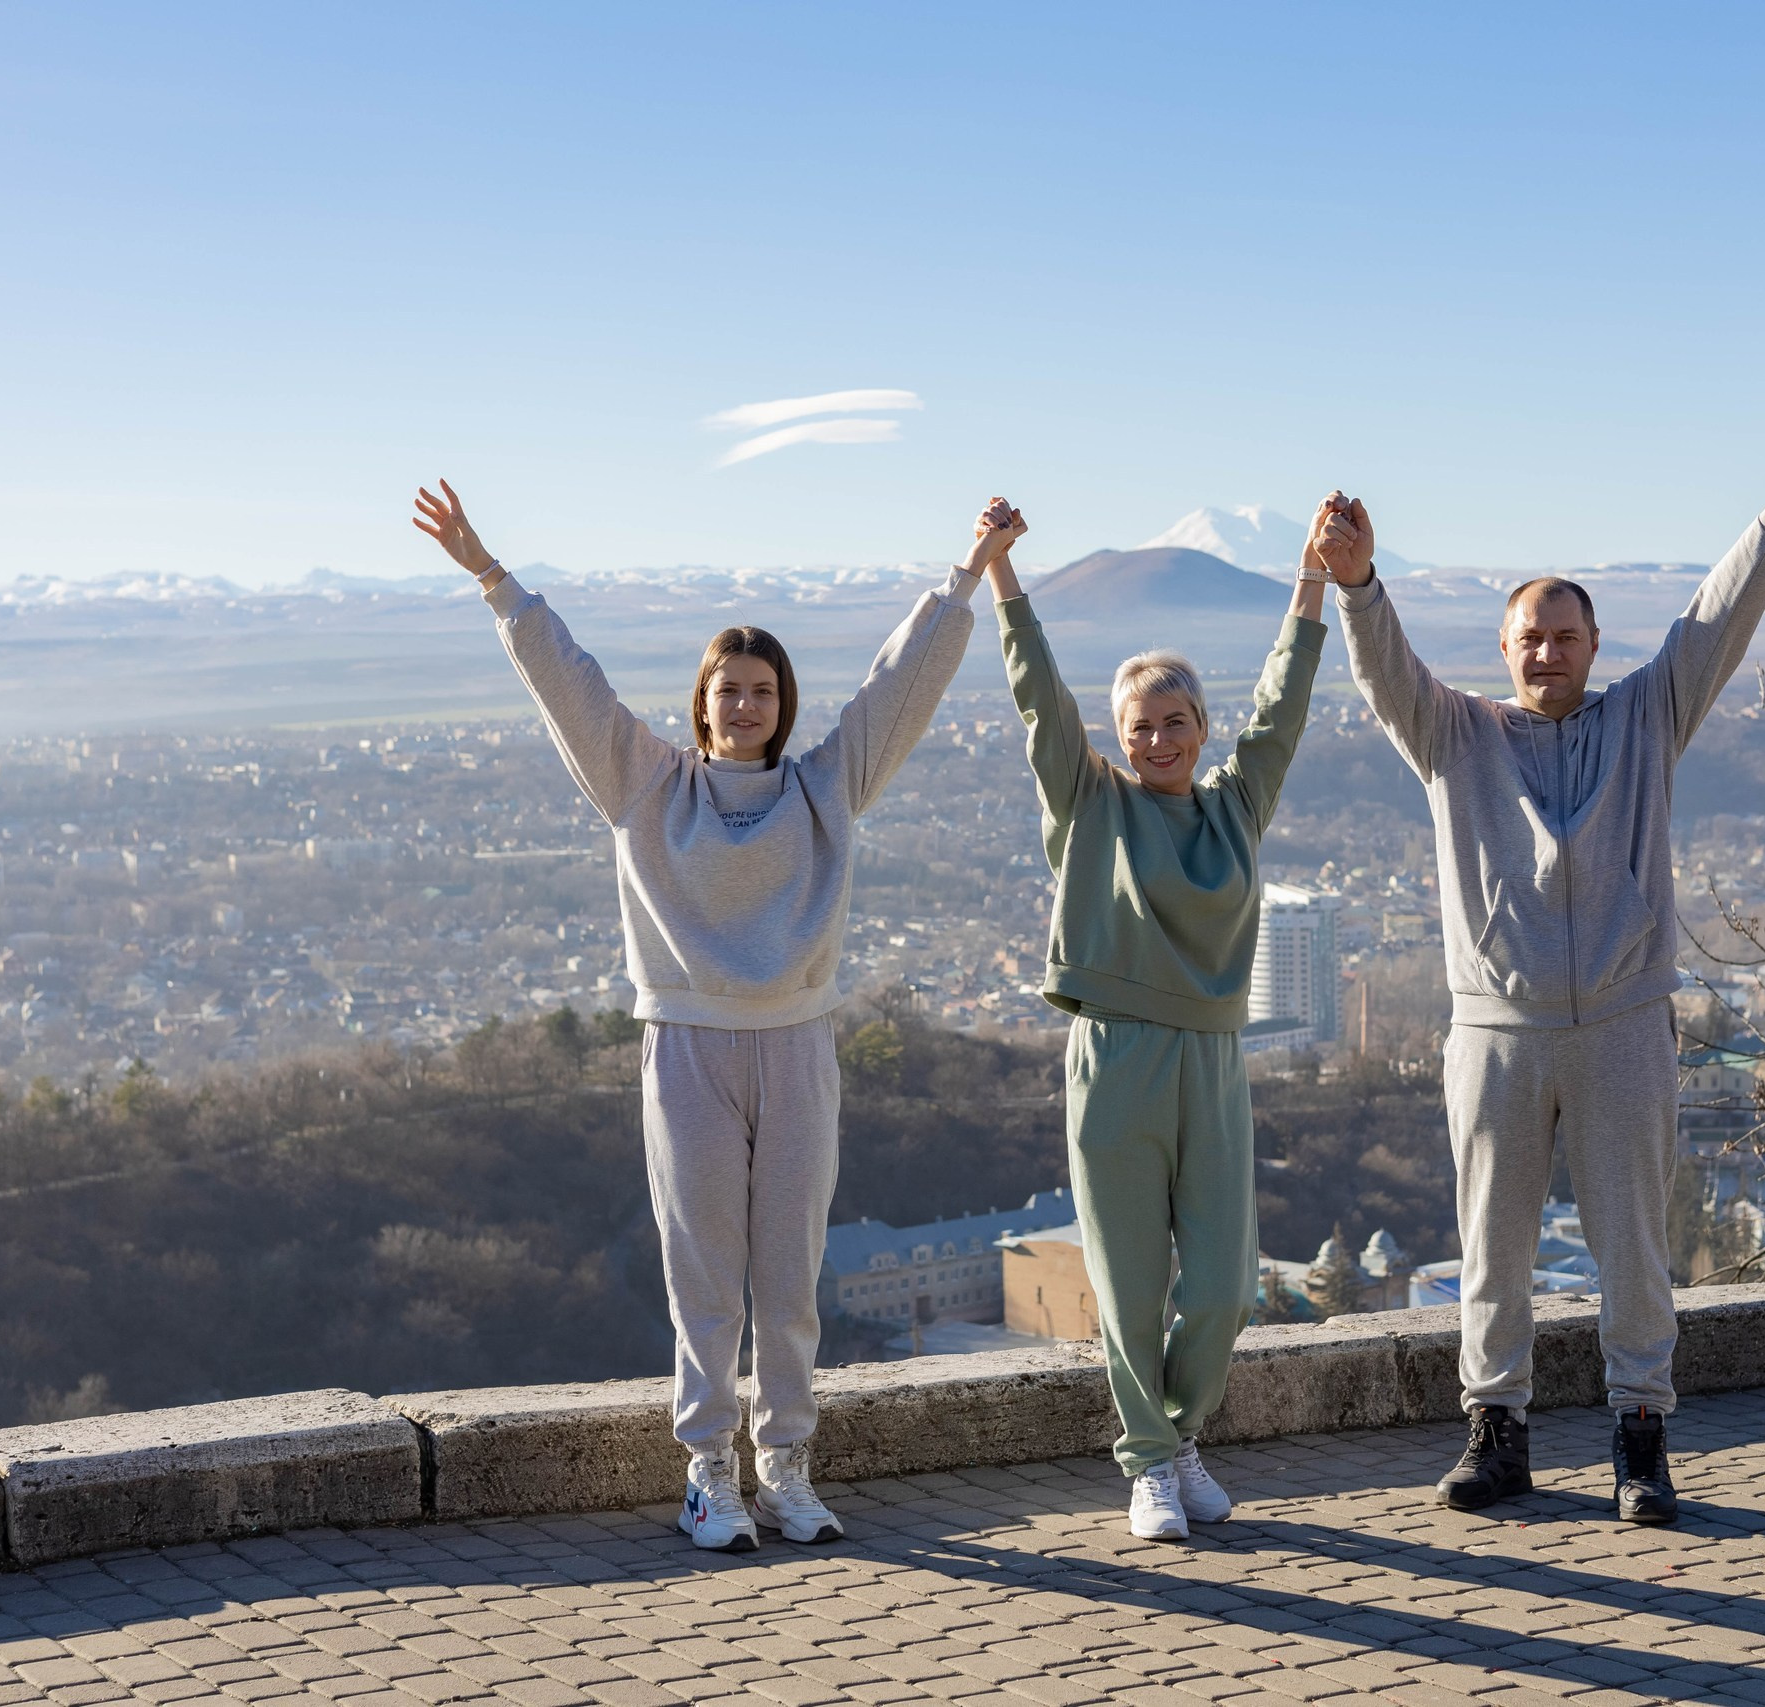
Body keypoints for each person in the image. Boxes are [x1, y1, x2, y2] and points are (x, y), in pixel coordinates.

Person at [413, 480, 1012, 1552]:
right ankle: (708, 1472)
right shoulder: (648, 789)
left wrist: (962, 576)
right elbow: (573, 690)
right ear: (701, 703)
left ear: (783, 706)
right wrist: (494, 579)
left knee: (788, 1271)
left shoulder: (827, 787)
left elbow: (895, 692)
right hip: (687, 1044)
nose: (743, 706)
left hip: (797, 1043)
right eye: (726, 689)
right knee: (702, 1268)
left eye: (761, 691)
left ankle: (784, 1463)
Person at [1316, 437, 1765, 1524]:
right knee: (1492, 1244)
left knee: (1634, 1243)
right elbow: (1383, 675)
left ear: (1595, 644)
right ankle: (1494, 1432)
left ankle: (1640, 1437)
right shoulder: (1453, 734)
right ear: (1502, 648)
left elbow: (1714, 623)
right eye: (1529, 638)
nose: (1546, 652)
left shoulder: (1647, 718)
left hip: (1621, 1021)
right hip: (1495, 1029)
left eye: (1565, 635)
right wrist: (1359, 584)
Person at [978, 496, 1331, 1540]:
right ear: (1120, 735)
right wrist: (1003, 575)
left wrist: (1311, 581)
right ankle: (1150, 1465)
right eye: (1141, 725)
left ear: (1201, 731)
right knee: (1128, 1285)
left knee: (1222, 1287)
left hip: (1213, 1061)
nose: (1160, 738)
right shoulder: (1089, 804)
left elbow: (1283, 707)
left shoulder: (1234, 806)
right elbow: (1039, 701)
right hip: (1116, 1054)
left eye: (1177, 722)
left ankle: (1181, 1440)